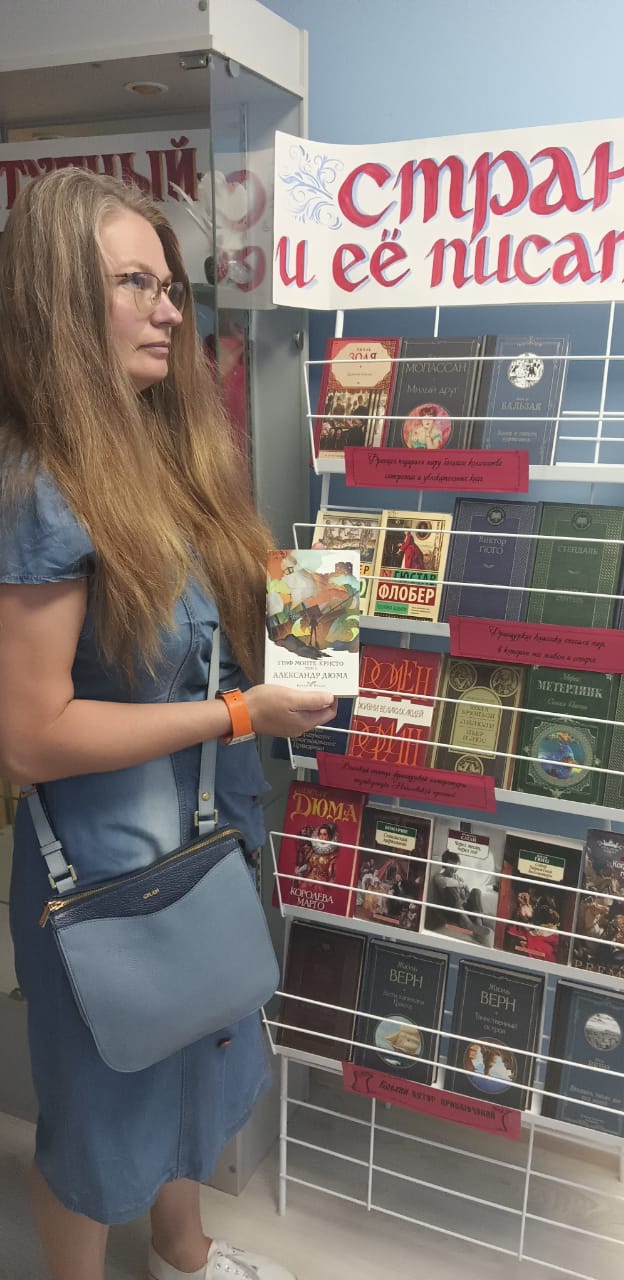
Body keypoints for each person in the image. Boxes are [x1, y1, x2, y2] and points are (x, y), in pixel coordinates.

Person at [0, 168, 338, 1280]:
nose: (167, 311)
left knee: (200, 1051)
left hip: (206, 840)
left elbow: (189, 643)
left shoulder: (168, 458)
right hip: (105, 871)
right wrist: (240, 711)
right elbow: (30, 735)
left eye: (170, 286)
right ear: (58, 302)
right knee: (103, 1108)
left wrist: (296, 618)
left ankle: (183, 1256)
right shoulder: (43, 494)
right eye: (133, 284)